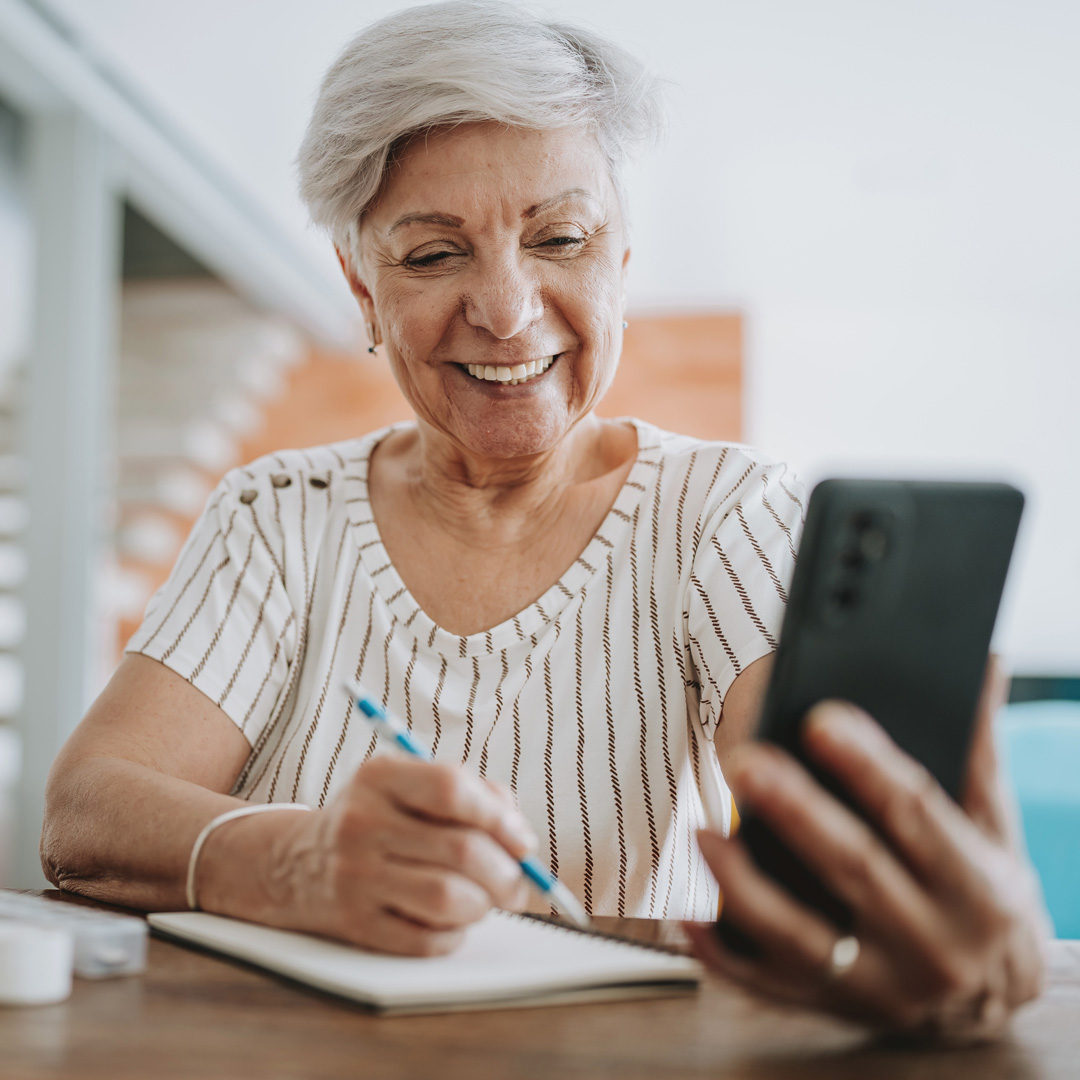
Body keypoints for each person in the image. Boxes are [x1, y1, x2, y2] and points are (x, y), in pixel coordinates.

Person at [41, 0, 1044, 1041]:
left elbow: (843, 857)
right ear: (361, 290)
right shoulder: (276, 516)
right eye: (432, 256)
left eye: (559, 237)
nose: (508, 311)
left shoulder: (724, 515)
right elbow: (87, 813)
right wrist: (299, 862)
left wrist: (909, 913)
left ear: (619, 258)